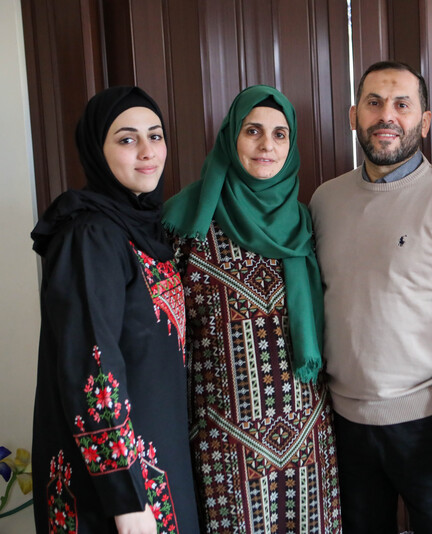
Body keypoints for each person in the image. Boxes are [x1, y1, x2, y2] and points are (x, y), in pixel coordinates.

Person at [309, 60, 432, 534]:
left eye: (402, 104)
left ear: (425, 120)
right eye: (374, 103)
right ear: (354, 115)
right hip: (345, 425)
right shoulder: (324, 201)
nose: (387, 115)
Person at [162, 85, 342, 533]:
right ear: (231, 137)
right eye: (253, 131)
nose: (267, 145)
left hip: (307, 437)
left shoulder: (306, 221)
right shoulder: (186, 221)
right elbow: (161, 336)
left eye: (280, 134)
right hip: (221, 443)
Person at [30, 86, 200, 533]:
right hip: (118, 488)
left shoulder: (142, 229)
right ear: (97, 150)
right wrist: (126, 499)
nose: (147, 151)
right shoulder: (90, 236)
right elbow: (91, 367)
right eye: (127, 139)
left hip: (158, 462)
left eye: (155, 136)